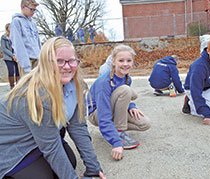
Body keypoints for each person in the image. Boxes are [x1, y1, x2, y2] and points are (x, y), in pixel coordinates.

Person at [0, 37, 106, 179]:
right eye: (59, 61)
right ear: (45, 63)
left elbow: (78, 127)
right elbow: (51, 147)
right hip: (13, 145)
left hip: (40, 136)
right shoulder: (35, 95)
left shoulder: (75, 84)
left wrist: (93, 168)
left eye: (71, 60)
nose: (67, 67)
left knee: (69, 161)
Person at [88, 44, 151, 161]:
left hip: (111, 108)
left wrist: (132, 106)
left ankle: (113, 129)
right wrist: (116, 143)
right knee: (126, 90)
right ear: (113, 61)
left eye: (129, 60)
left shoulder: (127, 78)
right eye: (121, 60)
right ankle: (118, 132)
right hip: (97, 114)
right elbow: (103, 115)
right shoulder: (104, 82)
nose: (125, 64)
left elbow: (123, 97)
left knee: (145, 123)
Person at [10, 0, 41, 76]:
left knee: (39, 85)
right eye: (31, 9)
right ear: (23, 7)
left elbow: (38, 42)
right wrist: (26, 65)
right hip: (27, 60)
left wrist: (41, 57)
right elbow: (18, 44)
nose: (33, 12)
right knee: (27, 85)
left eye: (35, 10)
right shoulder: (16, 21)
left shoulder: (33, 23)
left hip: (37, 59)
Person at [1, 23, 20, 89]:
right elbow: (4, 48)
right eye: (10, 27)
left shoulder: (15, 36)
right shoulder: (3, 37)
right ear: (7, 29)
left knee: (18, 71)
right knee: (11, 71)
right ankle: (12, 86)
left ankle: (18, 86)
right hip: (8, 57)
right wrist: (12, 55)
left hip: (16, 56)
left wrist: (16, 55)